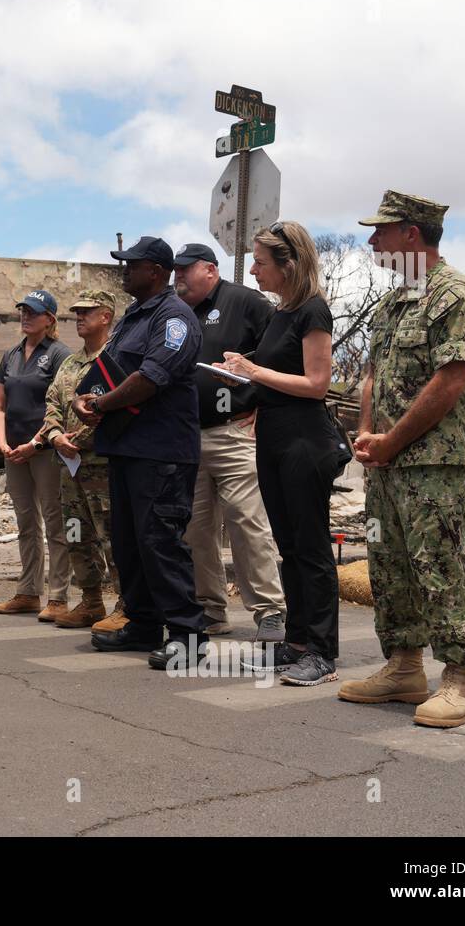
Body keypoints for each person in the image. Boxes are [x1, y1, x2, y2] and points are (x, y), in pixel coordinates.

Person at [339, 191, 465, 728]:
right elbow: (373, 375)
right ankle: (404, 667)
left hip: (436, 464)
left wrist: (392, 440)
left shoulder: (455, 295)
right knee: (391, 566)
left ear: (411, 234)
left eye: (381, 231)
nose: (371, 240)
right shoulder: (393, 302)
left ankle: (460, 681)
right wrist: (364, 432)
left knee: (439, 565)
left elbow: (450, 381)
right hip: (386, 462)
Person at [217, 222, 344, 686]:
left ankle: (323, 652)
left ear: (289, 265)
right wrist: (241, 378)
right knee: (288, 547)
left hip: (304, 442)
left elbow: (317, 385)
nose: (253, 271)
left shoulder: (313, 311)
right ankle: (296, 643)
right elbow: (274, 378)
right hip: (272, 437)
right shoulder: (281, 314)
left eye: (261, 263)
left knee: (311, 549)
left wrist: (253, 369)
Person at [74, 237, 207, 670]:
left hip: (161, 451)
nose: (123, 271)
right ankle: (144, 623)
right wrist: (84, 397)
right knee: (130, 543)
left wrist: (101, 405)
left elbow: (152, 376)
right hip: (128, 449)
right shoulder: (135, 315)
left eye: (131, 264)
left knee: (161, 542)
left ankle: (187, 636)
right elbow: (107, 369)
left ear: (155, 270)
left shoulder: (175, 318)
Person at [173, 242, 287, 642]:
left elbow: (282, 355)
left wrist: (259, 399)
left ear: (210, 269)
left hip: (235, 429)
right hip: (189, 434)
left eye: (186, 271)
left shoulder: (247, 302)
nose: (178, 278)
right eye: (175, 272)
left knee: (247, 522)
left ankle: (270, 612)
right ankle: (210, 609)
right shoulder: (178, 310)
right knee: (196, 528)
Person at [35, 286, 121, 629]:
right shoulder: (70, 363)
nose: (79, 317)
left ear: (106, 316)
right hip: (69, 466)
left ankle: (126, 603)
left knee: (112, 534)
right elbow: (52, 403)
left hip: (102, 464)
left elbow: (114, 411)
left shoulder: (116, 359)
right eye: (77, 311)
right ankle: (91, 600)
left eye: (87, 311)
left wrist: (79, 440)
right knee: (76, 533)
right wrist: (56, 437)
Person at [0, 291, 71, 617]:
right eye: (23, 310)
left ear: (49, 319)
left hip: (45, 450)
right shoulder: (10, 355)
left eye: (33, 312)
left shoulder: (58, 354)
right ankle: (28, 591)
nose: (25, 316)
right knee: (26, 522)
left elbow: (61, 408)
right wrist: (2, 443)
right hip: (14, 451)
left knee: (55, 520)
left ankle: (59, 597)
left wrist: (36, 443)